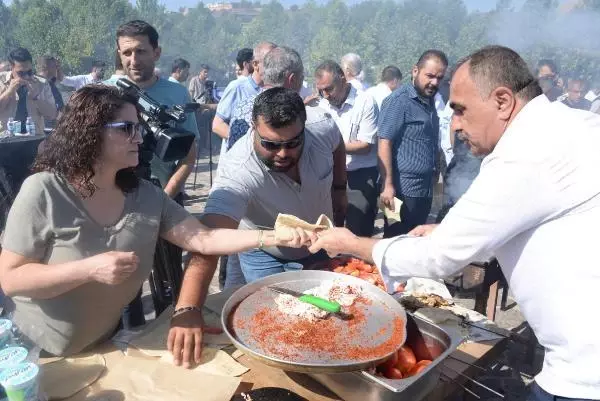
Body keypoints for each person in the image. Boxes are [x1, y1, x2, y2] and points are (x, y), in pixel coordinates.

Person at [309, 45, 600, 401]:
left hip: (584, 374)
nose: (456, 124)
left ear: (503, 101)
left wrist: (352, 244)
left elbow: (438, 258)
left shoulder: (524, 153)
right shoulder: (574, 123)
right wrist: (449, 231)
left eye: (461, 110)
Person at [0, 85, 310, 358]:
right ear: (90, 131)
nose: (140, 136)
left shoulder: (146, 195)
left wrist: (271, 237)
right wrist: (89, 268)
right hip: (30, 353)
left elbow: (204, 239)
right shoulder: (44, 190)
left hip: (100, 345)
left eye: (139, 127)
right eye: (127, 128)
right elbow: (11, 280)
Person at [169, 87, 347, 367]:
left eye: (293, 143)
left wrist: (339, 189)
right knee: (275, 328)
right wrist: (188, 307)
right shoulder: (238, 169)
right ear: (254, 128)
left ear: (304, 129)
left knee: (324, 324)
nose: (283, 153)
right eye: (271, 144)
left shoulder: (321, 126)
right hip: (265, 255)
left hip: (320, 244)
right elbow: (209, 239)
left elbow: (338, 146)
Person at [109, 19, 200, 327]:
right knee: (124, 286)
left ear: (157, 52)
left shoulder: (176, 93)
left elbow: (190, 153)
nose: (134, 60)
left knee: (169, 282)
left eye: (142, 51)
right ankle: (131, 343)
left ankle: (168, 335)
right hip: (117, 205)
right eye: (127, 52)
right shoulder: (106, 93)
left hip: (167, 198)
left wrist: (163, 198)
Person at [378, 49, 448, 237]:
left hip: (423, 190)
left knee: (415, 241)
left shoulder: (429, 100)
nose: (434, 82)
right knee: (395, 241)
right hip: (400, 192)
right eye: (430, 76)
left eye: (439, 78)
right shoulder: (398, 101)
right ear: (415, 71)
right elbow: (385, 142)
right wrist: (387, 185)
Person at [315, 60, 379, 237]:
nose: (326, 95)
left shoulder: (365, 101)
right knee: (328, 232)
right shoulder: (321, 106)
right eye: (321, 90)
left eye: (329, 88)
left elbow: (365, 145)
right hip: (330, 175)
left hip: (359, 177)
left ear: (342, 79)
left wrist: (331, 146)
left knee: (357, 233)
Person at [212, 42, 276, 156]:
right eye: (270, 62)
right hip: (237, 162)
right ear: (255, 64)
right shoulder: (237, 88)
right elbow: (217, 125)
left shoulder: (275, 91)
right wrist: (247, 143)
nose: (275, 66)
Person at [0, 47, 57, 135]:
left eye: (29, 72)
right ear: (11, 67)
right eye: (21, 73)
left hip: (33, 139)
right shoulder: (1, 81)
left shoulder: (42, 83)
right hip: (5, 140)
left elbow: (52, 115)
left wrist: (36, 97)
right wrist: (9, 92)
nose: (26, 77)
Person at [35, 56, 65, 129]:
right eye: (54, 66)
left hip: (55, 121)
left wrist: (59, 67)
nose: (56, 68)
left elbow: (61, 78)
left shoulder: (50, 81)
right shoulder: (38, 83)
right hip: (47, 123)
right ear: (46, 67)